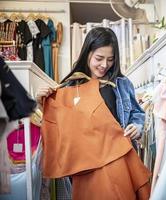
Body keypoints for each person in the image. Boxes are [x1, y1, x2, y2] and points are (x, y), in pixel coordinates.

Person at [36, 27, 151, 199]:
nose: (104, 65)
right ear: (87, 53)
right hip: (85, 167)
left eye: (110, 59)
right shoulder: (70, 87)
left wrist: (137, 126)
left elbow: (137, 113)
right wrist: (41, 101)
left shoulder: (121, 84)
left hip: (120, 160)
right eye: (99, 58)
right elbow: (60, 127)